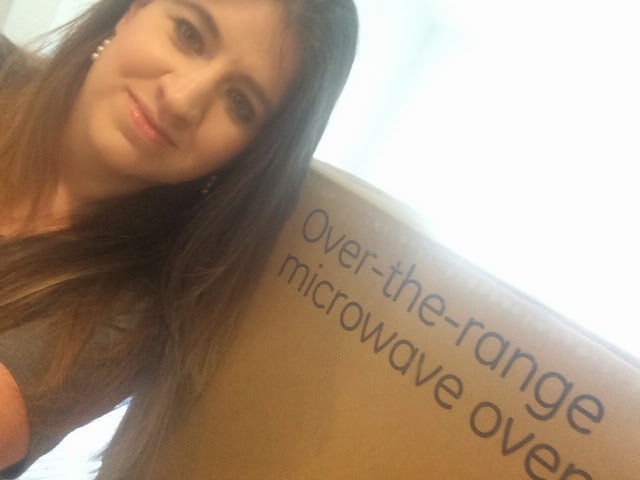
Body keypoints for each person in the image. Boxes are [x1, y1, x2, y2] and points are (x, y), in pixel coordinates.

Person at [0, 0, 358, 477]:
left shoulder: (126, 320)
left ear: (245, 157)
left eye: (240, 103)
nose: (182, 100)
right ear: (132, 10)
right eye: (189, 34)